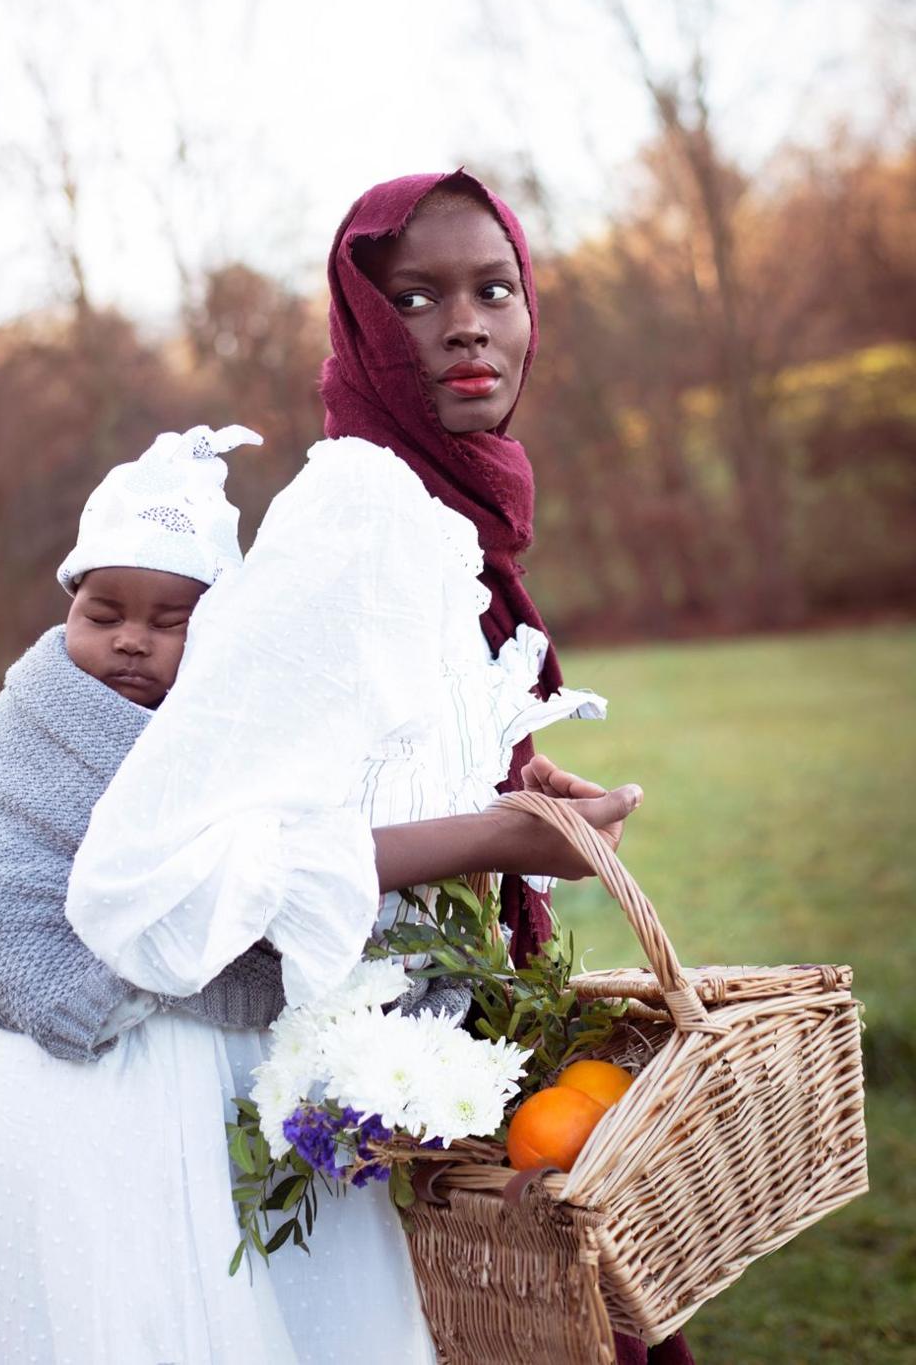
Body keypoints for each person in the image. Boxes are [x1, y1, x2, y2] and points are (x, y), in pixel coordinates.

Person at [68, 169, 689, 1362]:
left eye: (493, 289)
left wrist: (503, 792)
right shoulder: (355, 512)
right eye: (413, 297)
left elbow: (351, 763)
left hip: (437, 1096)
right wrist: (485, 841)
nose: (464, 323)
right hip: (335, 1105)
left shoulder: (444, 504)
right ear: (360, 327)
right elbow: (142, 880)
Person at [0, 424, 293, 1363]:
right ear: (69, 606)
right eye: (104, 611)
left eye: (171, 622)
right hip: (69, 1064)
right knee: (107, 1308)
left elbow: (287, 866)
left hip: (213, 1071)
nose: (130, 640)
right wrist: (82, 980)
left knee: (219, 1299)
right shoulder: (33, 721)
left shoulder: (247, 733)